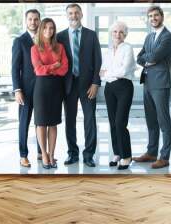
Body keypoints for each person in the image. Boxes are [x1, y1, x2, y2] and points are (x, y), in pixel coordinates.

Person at [57, 3, 102, 167]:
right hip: (68, 85)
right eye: (70, 13)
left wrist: (96, 82)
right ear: (67, 16)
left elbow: (98, 60)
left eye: (76, 13)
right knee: (70, 120)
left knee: (90, 119)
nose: (73, 16)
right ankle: (72, 153)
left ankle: (89, 154)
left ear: (81, 14)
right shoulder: (60, 36)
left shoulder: (91, 35)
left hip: (88, 85)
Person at [134, 6, 171, 169]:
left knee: (163, 121)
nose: (153, 18)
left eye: (156, 15)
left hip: (160, 84)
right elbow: (140, 57)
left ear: (162, 16)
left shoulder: (168, 37)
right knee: (151, 120)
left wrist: (149, 59)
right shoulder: (149, 37)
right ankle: (151, 153)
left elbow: (154, 56)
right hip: (148, 83)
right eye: (150, 16)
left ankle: (164, 157)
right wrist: (149, 60)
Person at [31, 18, 68, 169]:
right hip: (41, 88)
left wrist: (49, 67)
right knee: (41, 123)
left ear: (54, 30)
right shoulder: (35, 48)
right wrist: (54, 66)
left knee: (53, 123)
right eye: (45, 27)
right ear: (41, 29)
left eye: (51, 28)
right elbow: (38, 70)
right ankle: (44, 155)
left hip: (56, 87)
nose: (48, 30)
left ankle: (52, 155)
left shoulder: (60, 47)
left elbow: (64, 68)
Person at [100, 21, 136, 170]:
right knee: (113, 123)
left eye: (121, 32)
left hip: (124, 87)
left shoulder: (128, 48)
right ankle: (117, 153)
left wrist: (108, 73)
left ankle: (127, 156)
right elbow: (101, 72)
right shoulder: (108, 51)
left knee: (121, 123)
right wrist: (107, 73)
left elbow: (124, 70)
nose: (117, 34)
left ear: (125, 34)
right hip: (109, 88)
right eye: (115, 31)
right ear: (111, 33)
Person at [11, 9, 42, 168]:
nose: (33, 22)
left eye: (36, 19)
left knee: (41, 122)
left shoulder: (45, 40)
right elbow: (15, 68)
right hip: (26, 90)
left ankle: (41, 152)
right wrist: (17, 90)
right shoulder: (20, 41)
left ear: (39, 21)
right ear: (26, 21)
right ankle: (23, 155)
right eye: (30, 19)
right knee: (24, 123)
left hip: (42, 89)